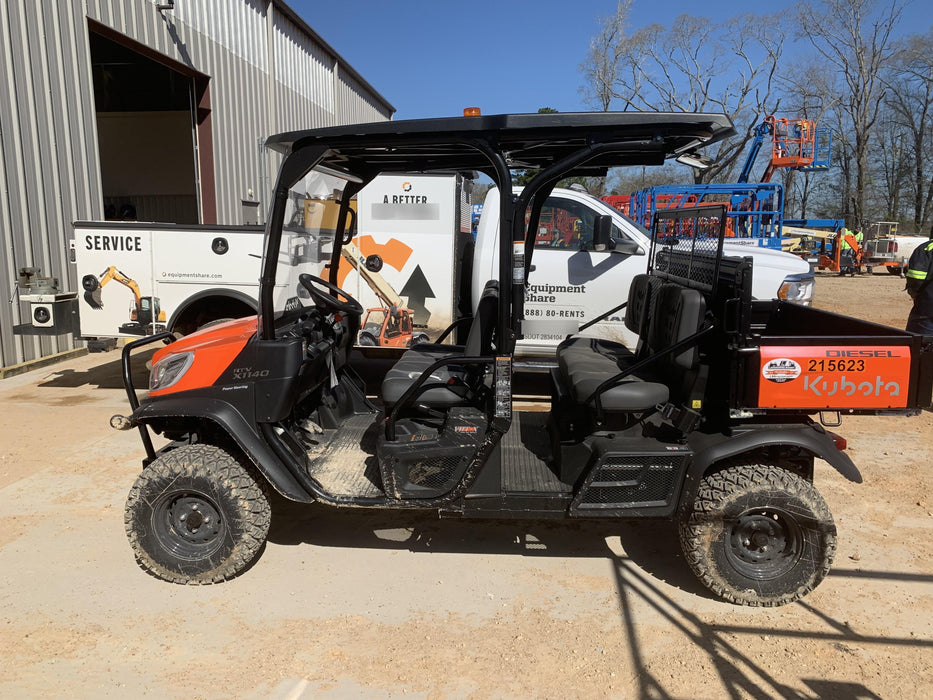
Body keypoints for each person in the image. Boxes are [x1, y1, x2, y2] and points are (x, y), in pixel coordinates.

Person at [906, 226, 933, 334]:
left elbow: (916, 277)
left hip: (927, 310)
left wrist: (913, 291)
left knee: (917, 345)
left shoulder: (927, 248)